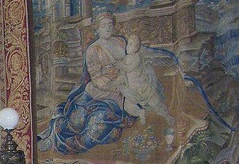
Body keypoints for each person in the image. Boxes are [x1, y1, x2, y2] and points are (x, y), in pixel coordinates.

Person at [38, 13, 135, 154]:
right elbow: (97, 79)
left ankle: (69, 143)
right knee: (76, 121)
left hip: (118, 97)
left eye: (110, 25)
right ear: (97, 29)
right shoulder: (93, 49)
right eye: (103, 26)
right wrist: (117, 84)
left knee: (98, 126)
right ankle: (53, 138)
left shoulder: (121, 42)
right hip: (97, 92)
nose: (107, 28)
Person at [113, 34, 174, 126]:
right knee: (126, 104)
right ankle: (140, 112)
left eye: (131, 44)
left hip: (144, 87)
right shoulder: (125, 59)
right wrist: (116, 82)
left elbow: (130, 68)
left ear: (137, 47)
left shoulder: (137, 57)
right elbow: (123, 74)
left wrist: (121, 65)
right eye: (128, 44)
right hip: (132, 89)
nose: (128, 47)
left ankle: (167, 117)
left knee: (155, 103)